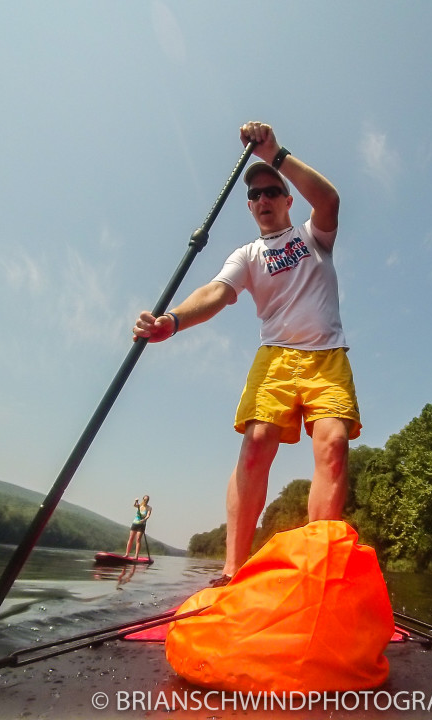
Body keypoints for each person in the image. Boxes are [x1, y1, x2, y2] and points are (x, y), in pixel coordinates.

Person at [133, 121, 361, 586]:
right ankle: (233, 571)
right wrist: (171, 321)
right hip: (275, 358)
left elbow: (331, 201)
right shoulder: (248, 254)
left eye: (271, 191)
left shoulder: (314, 236)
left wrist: (274, 154)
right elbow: (216, 293)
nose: (262, 201)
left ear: (287, 198)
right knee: (256, 445)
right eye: (254, 196)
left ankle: (316, 572)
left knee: (334, 445)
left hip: (327, 357)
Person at [124, 495, 152, 559]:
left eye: (147, 500)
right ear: (143, 499)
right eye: (145, 500)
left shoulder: (149, 508)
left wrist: (144, 520)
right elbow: (134, 505)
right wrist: (135, 501)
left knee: (138, 539)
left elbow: (148, 515)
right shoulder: (140, 505)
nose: (146, 501)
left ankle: (136, 555)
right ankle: (126, 554)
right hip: (135, 523)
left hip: (142, 525)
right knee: (131, 538)